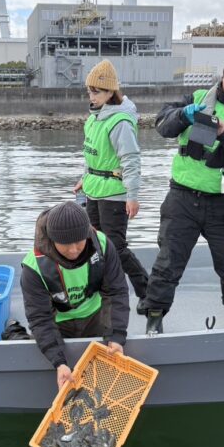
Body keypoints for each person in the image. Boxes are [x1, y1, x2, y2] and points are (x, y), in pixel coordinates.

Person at [137, 38, 224, 334]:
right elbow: (162, 126)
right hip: (182, 198)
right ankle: (154, 316)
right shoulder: (196, 97)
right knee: (168, 261)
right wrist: (182, 115)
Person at [21, 201, 129, 389]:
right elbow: (40, 318)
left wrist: (116, 336)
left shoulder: (102, 244)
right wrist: (59, 362)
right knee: (45, 345)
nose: (73, 250)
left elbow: (116, 291)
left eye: (79, 242)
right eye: (64, 244)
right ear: (53, 240)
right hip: (59, 323)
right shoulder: (33, 266)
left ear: (86, 235)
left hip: (95, 317)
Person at [73, 59, 149, 300]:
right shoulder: (93, 119)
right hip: (93, 189)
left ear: (110, 92)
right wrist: (84, 178)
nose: (91, 96)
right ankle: (102, 287)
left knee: (116, 246)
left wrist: (133, 196)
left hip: (114, 194)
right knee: (93, 241)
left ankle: (145, 290)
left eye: (96, 92)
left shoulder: (121, 122)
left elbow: (131, 160)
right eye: (89, 91)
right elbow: (91, 153)